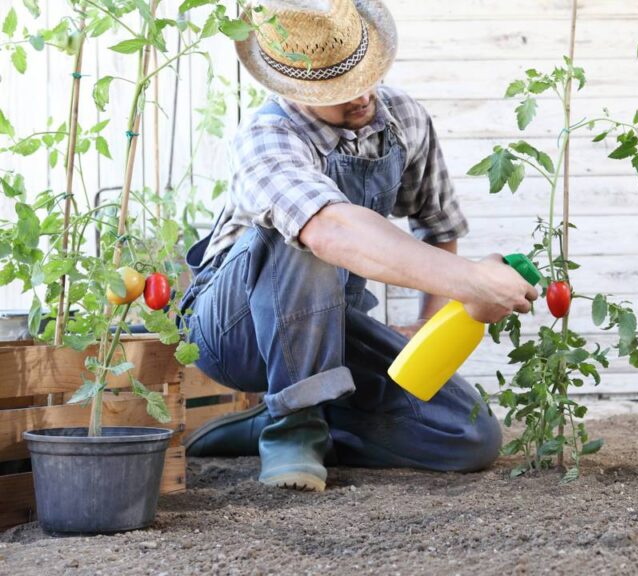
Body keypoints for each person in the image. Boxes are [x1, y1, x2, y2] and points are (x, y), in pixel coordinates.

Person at [179, 0, 538, 492]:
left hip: (331, 324)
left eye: (363, 76)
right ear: (295, 91)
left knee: (467, 436)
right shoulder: (266, 136)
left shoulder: (403, 119)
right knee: (305, 230)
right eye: (338, 90)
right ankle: (293, 428)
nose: (361, 95)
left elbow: (437, 226)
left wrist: (429, 325)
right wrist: (473, 282)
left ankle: (278, 423)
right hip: (231, 334)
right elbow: (329, 231)